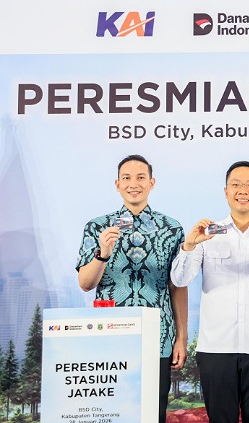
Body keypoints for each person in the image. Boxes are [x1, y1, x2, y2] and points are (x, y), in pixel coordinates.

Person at [170, 161, 249, 423]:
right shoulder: (207, 235)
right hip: (216, 348)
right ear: (226, 191)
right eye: (236, 184)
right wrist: (189, 245)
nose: (243, 190)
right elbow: (180, 279)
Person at [76, 154, 187, 423]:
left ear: (152, 183)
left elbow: (178, 285)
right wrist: (103, 253)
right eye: (126, 178)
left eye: (140, 177)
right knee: (111, 413)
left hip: (159, 336)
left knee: (153, 412)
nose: (133, 184)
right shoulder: (98, 226)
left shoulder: (171, 228)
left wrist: (181, 337)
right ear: (117, 184)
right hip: (110, 336)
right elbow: (86, 284)